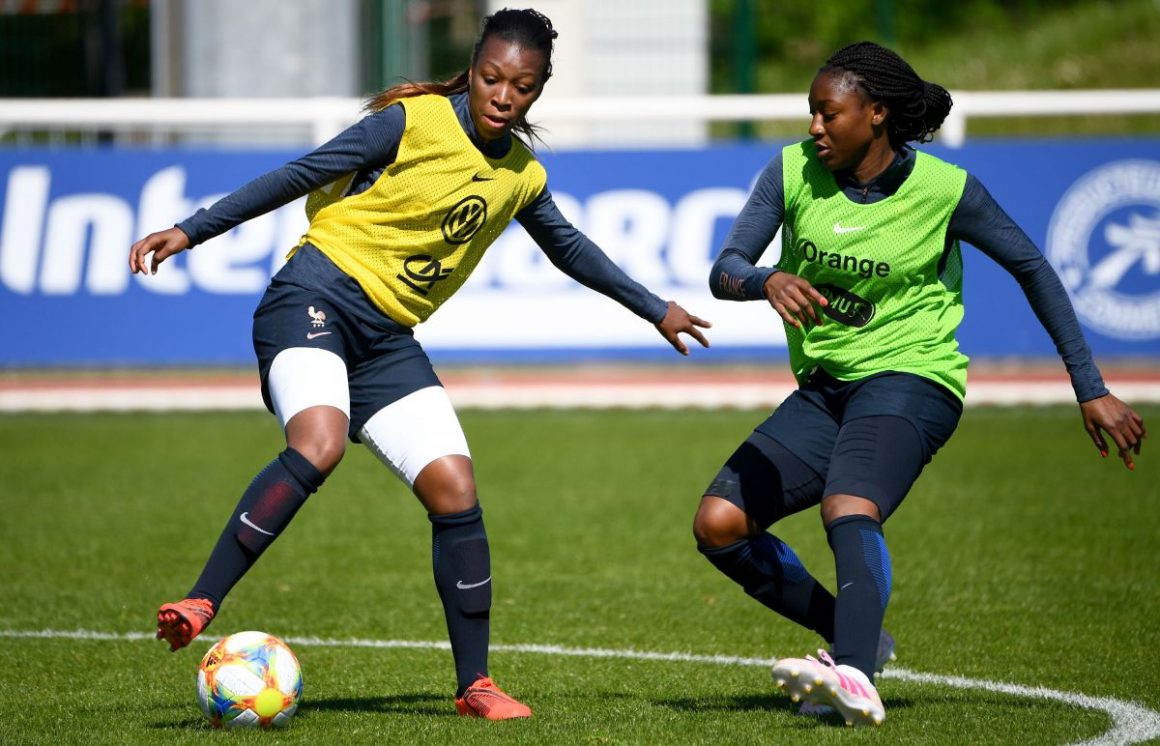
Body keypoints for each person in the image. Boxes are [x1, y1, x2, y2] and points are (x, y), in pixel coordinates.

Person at [129, 7, 710, 721]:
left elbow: (570, 249)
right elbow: (299, 175)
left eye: (520, 86)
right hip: (311, 297)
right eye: (492, 77)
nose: (503, 95)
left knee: (455, 488)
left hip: (386, 337)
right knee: (319, 443)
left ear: (539, 89)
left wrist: (657, 309)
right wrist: (191, 229)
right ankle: (201, 599)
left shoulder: (522, 176)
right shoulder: (414, 121)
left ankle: (475, 687)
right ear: (472, 68)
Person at [694, 41, 1145, 727]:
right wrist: (765, 280)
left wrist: (1091, 386)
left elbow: (1034, 268)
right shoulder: (790, 172)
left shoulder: (945, 190)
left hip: (915, 377)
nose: (814, 127)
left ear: (876, 114)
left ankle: (852, 676)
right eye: (811, 113)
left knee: (848, 505)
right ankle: (857, 639)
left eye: (828, 113)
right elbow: (725, 270)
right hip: (826, 386)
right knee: (719, 524)